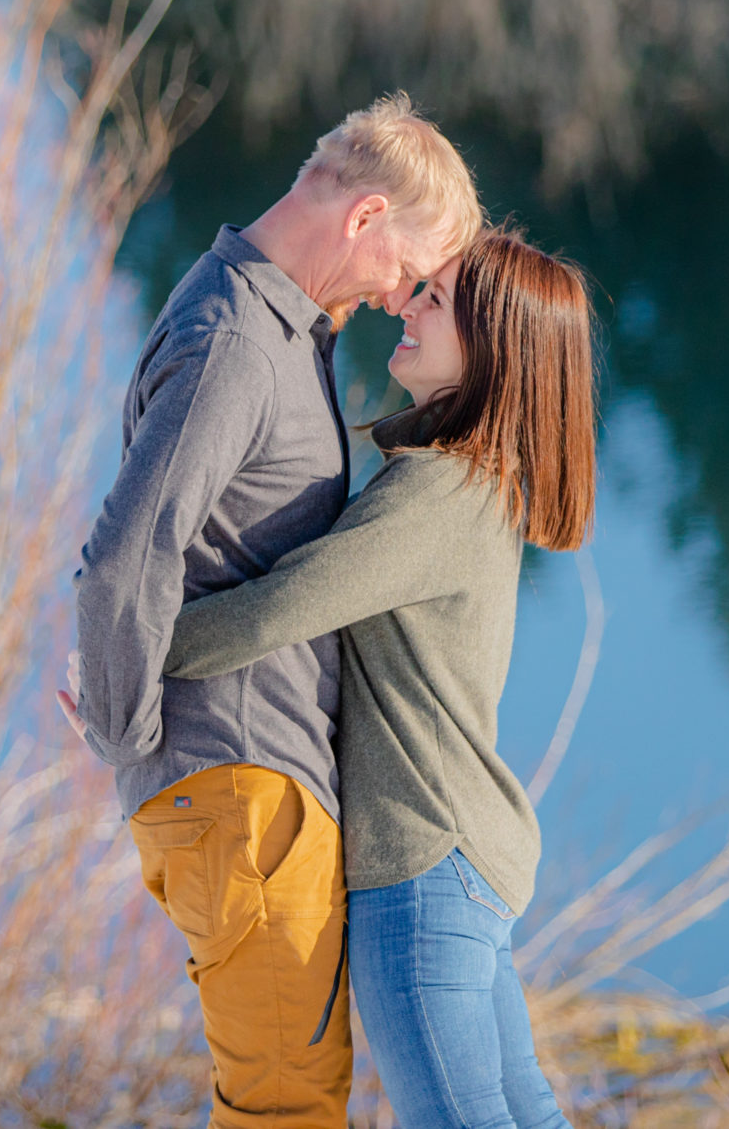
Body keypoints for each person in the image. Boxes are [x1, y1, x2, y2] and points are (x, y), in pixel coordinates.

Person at [67, 93, 481, 1129]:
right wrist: (129, 737)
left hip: (253, 792)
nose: (401, 297)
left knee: (280, 1102)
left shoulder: (275, 323)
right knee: (285, 1111)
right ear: (363, 218)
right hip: (245, 791)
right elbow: (126, 560)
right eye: (407, 269)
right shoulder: (237, 345)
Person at [160, 229, 597, 1129]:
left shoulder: (440, 492)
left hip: (423, 868)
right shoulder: (479, 485)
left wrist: (128, 650)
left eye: (435, 299)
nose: (406, 304)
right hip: (465, 856)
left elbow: (277, 608)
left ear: (495, 346)